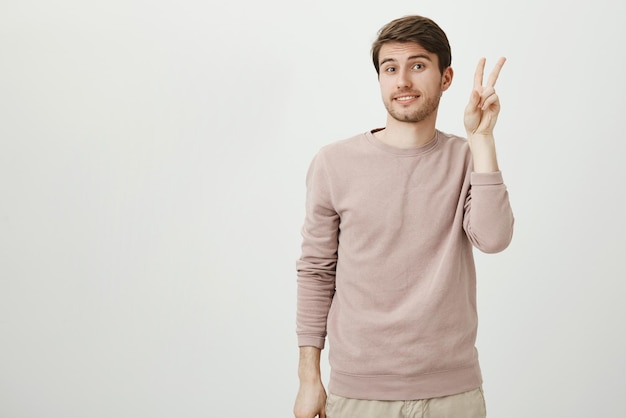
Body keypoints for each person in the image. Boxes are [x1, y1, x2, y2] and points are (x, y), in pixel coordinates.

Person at [293, 14, 514, 418]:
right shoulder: (333, 163)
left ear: (445, 78)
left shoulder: (467, 158)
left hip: (453, 392)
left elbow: (494, 238)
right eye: (390, 69)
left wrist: (481, 139)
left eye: (417, 65)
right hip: (360, 393)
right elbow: (316, 271)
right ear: (379, 79)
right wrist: (309, 378)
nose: (403, 81)